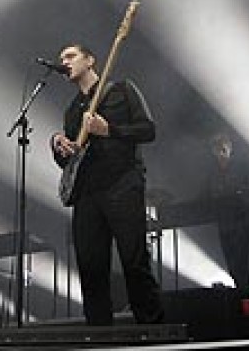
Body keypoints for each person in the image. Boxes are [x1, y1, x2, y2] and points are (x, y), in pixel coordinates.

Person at [50, 43, 163, 326]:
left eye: (70, 56)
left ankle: (151, 330)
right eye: (61, 59)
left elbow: (148, 130)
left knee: (134, 261)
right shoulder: (72, 111)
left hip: (123, 183)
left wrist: (109, 130)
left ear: (90, 60)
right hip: (87, 193)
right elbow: (70, 163)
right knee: (90, 268)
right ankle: (98, 334)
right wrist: (58, 147)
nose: (64, 61)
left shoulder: (121, 90)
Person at [203, 132, 249, 296]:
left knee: (240, 262)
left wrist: (240, 197)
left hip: (241, 222)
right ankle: (242, 295)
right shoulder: (212, 172)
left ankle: (246, 297)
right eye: (216, 146)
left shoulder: (242, 167)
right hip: (224, 223)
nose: (220, 150)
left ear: (230, 147)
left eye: (223, 146)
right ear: (212, 151)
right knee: (232, 264)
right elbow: (206, 195)